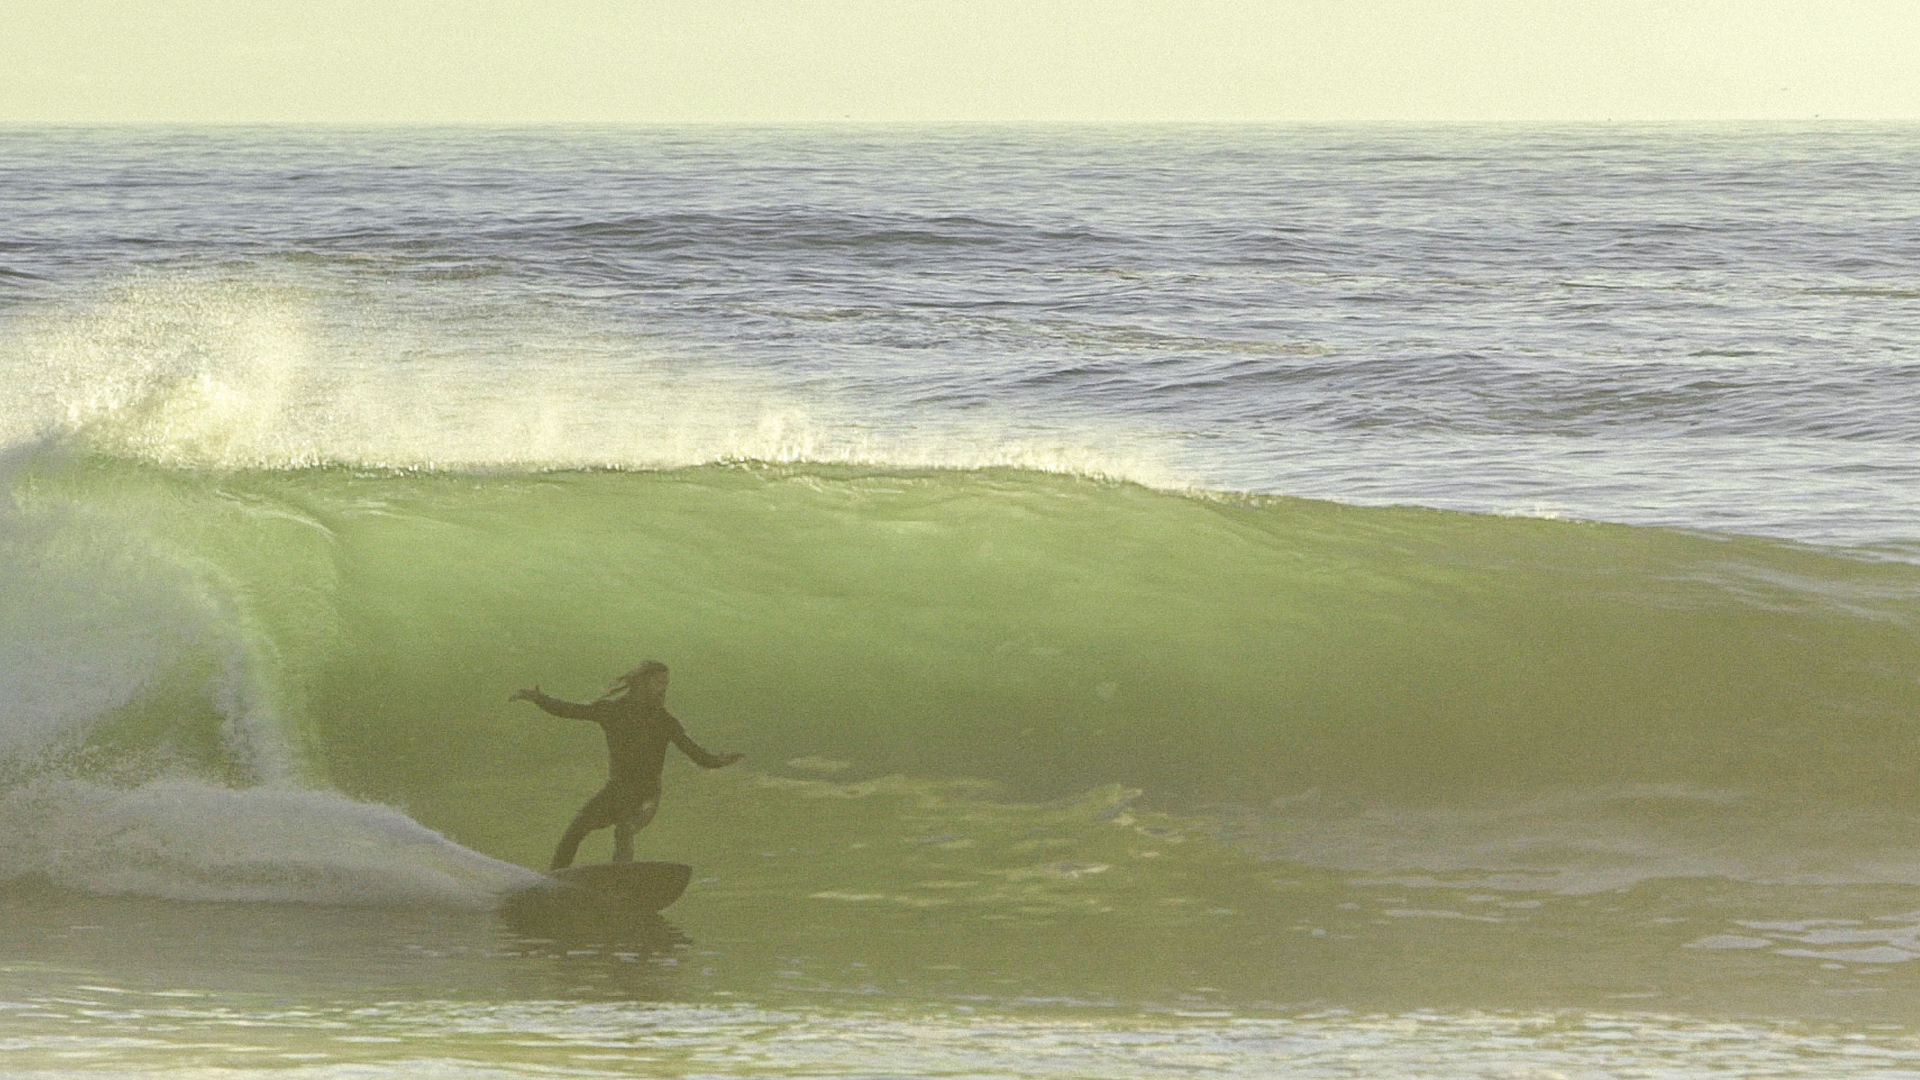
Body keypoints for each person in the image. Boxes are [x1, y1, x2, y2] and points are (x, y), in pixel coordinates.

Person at [511, 660, 742, 871]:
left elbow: (697, 755)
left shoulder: (664, 721)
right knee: (575, 831)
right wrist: (540, 699)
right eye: (659, 683)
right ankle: (553, 879)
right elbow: (571, 710)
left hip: (646, 794)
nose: (663, 689)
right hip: (616, 790)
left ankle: (621, 878)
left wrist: (719, 761)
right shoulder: (612, 711)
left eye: (666, 684)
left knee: (625, 827)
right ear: (641, 682)